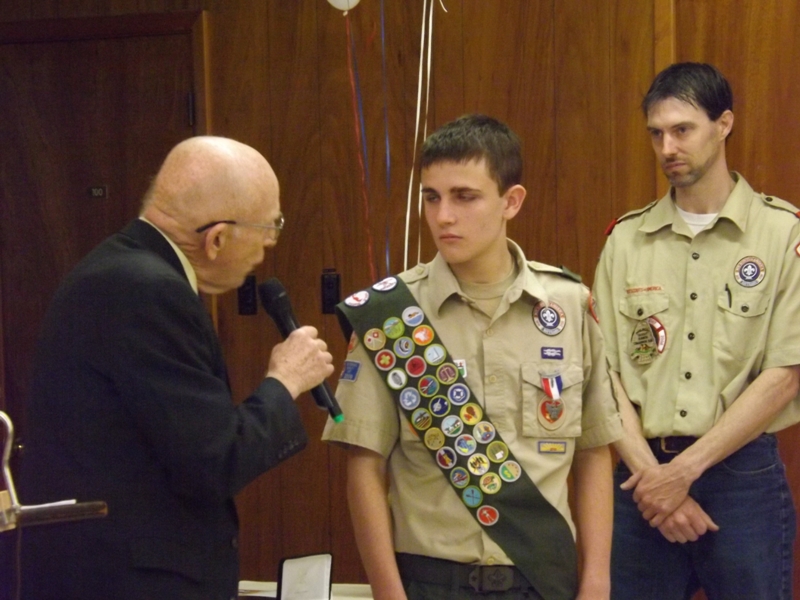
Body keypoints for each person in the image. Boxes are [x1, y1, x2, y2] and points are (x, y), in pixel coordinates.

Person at [18, 136, 334, 600]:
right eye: (268, 231)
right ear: (217, 239)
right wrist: (284, 381)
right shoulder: (148, 290)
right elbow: (215, 461)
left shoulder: (118, 270)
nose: (266, 250)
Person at [323, 114, 622, 600]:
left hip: (542, 580)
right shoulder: (390, 315)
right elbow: (364, 467)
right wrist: (388, 593)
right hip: (431, 581)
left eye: (464, 197)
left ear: (512, 201)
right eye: (431, 197)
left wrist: (596, 582)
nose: (443, 216)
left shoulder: (568, 305)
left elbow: (593, 453)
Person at [593, 62, 800, 599]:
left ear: (723, 124)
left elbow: (786, 374)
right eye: (656, 134)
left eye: (682, 130)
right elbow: (603, 374)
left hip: (741, 480)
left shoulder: (781, 234)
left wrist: (683, 473)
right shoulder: (626, 240)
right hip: (641, 475)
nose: (667, 148)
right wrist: (653, 477)